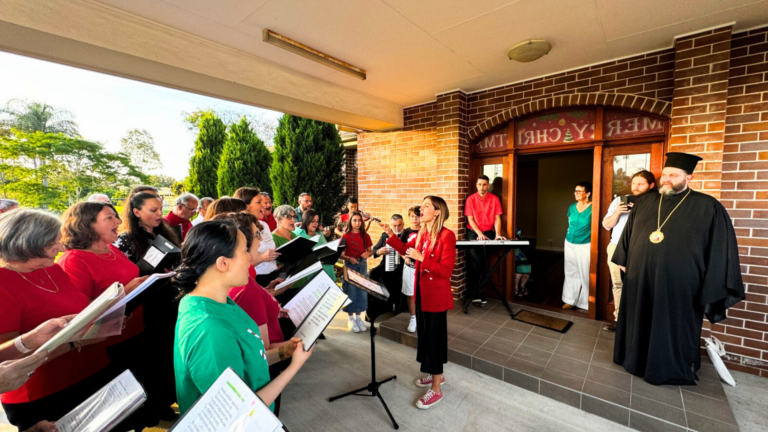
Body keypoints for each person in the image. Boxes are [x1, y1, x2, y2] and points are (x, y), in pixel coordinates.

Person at [612, 153, 745, 386]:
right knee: (639, 316)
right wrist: (623, 258)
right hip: (641, 277)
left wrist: (710, 280)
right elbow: (628, 235)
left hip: (681, 283)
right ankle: (635, 360)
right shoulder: (644, 202)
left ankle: (669, 367)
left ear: (688, 177)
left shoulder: (708, 206)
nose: (667, 179)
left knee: (671, 323)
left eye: (673, 175)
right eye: (665, 174)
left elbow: (719, 248)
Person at [172, 219, 313, 414]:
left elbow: (249, 360)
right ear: (223, 263)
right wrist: (294, 367)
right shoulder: (211, 329)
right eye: (244, 251)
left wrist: (284, 352)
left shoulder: (214, 301)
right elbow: (238, 412)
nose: (250, 257)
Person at [0, 209, 112, 430]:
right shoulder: (4, 284)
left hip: (90, 370)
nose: (61, 248)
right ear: (28, 244)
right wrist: (76, 341)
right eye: (53, 242)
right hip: (44, 392)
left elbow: (76, 307)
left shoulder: (51, 269)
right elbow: (8, 357)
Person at [215, 212, 297, 416]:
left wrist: (270, 297)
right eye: (255, 236)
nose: (260, 240)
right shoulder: (245, 290)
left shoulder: (246, 284)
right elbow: (261, 352)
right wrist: (292, 351)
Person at [379, 196, 455, 410]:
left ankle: (437, 389)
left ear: (438, 211)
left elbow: (447, 271)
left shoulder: (447, 236)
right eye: (422, 206)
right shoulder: (422, 232)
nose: (422, 209)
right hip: (422, 293)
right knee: (425, 337)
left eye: (426, 206)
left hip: (437, 297)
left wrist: (422, 259)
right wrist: (390, 234)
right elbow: (405, 250)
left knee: (434, 339)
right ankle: (434, 375)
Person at [601, 170, 657, 332]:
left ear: (651, 185)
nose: (636, 187)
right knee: (618, 284)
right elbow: (607, 225)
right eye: (634, 183)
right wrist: (618, 212)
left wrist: (638, 212)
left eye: (640, 184)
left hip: (641, 249)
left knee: (641, 286)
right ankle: (619, 320)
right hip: (616, 246)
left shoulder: (655, 202)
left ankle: (639, 322)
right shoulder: (619, 200)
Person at [465, 175, 505, 305]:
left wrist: (498, 234)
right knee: (475, 263)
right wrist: (479, 233)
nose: (481, 187)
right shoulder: (470, 199)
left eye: (484, 184)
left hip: (488, 233)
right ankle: (472, 293)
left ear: (488, 186)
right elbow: (470, 219)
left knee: (484, 264)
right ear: (476, 185)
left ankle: (478, 291)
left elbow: (497, 218)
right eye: (479, 184)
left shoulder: (494, 199)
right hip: (473, 233)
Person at [115, 192, 181, 265]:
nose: (160, 213)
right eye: (153, 210)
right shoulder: (125, 241)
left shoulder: (166, 233)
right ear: (137, 212)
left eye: (161, 209)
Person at [235, 188, 281, 287]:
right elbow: (238, 264)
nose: (264, 205)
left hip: (273, 274)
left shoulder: (264, 225)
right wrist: (261, 258)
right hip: (255, 278)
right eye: (259, 202)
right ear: (246, 206)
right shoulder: (239, 229)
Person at [369, 214, 406, 324]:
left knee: (399, 280)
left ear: (403, 224)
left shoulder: (406, 236)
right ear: (390, 225)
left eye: (399, 225)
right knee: (372, 273)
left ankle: (398, 312)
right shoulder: (385, 236)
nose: (396, 228)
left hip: (401, 267)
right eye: (394, 226)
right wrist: (379, 251)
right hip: (385, 266)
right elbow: (374, 250)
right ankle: (375, 309)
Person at [340, 212, 373, 333]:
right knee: (351, 290)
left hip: (362, 264)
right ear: (350, 221)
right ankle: (350, 319)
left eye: (359, 220)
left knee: (361, 291)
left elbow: (370, 251)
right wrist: (349, 259)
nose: (357, 223)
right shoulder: (345, 236)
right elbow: (339, 253)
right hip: (350, 265)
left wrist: (367, 254)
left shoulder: (366, 236)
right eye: (354, 220)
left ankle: (359, 318)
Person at [562, 182, 592, 311]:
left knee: (585, 273)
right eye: (575, 191)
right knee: (570, 272)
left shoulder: (593, 208)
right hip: (569, 243)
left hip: (585, 244)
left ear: (588, 193)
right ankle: (570, 300)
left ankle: (585, 303)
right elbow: (570, 223)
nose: (576, 193)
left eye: (579, 191)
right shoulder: (572, 207)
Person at [294, 208, 336, 281]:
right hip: (313, 274)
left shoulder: (319, 233)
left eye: (317, 221)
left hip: (328, 270)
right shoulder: (299, 235)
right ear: (306, 221)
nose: (315, 224)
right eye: (313, 221)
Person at [400, 206, 422, 332]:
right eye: (412, 216)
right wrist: (405, 258)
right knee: (410, 293)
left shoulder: (425, 231)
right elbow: (401, 249)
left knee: (422, 292)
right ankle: (413, 317)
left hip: (422, 267)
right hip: (409, 267)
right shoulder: (405, 232)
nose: (414, 219)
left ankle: (422, 316)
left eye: (417, 216)